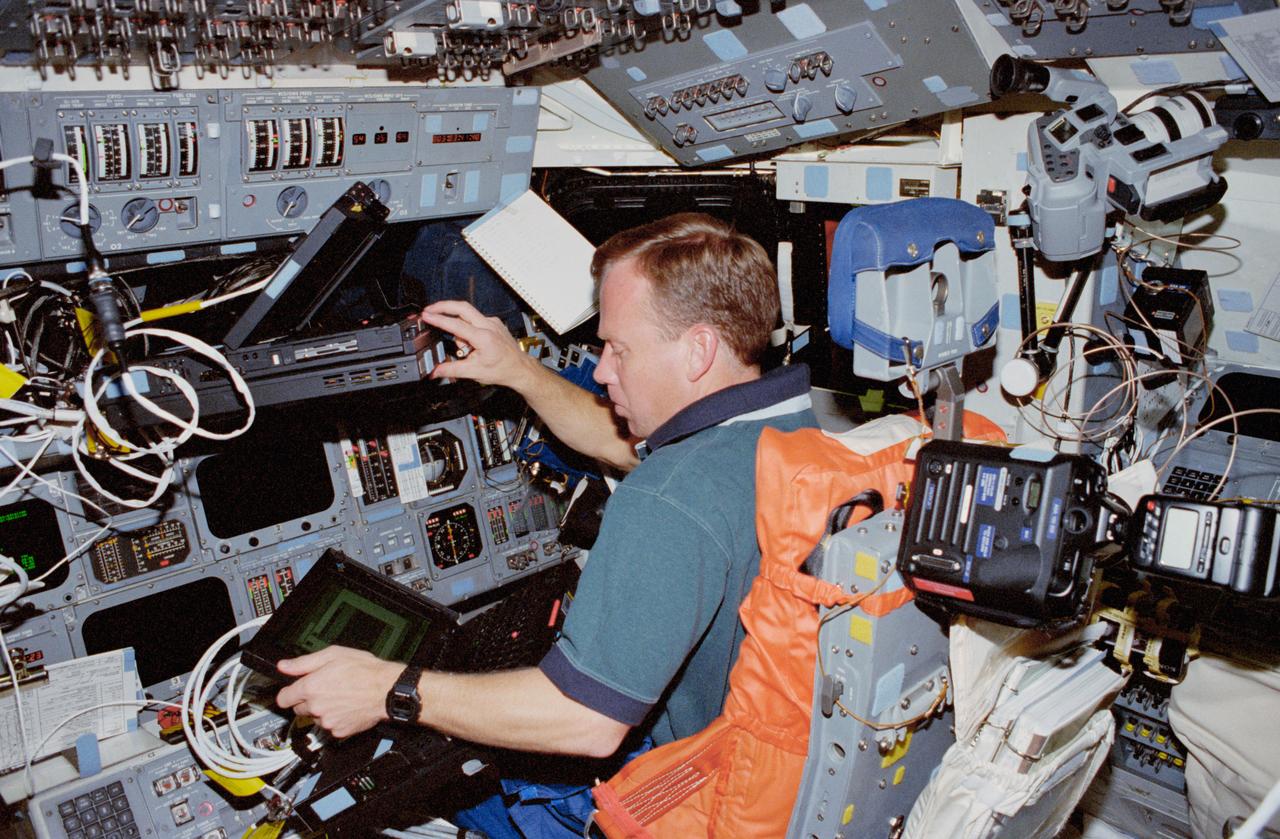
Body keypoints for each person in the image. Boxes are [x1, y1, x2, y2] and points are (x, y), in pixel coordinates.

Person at [275, 212, 818, 835]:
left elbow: (585, 718)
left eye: (619, 348)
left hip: (693, 788)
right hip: (775, 763)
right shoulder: (783, 433)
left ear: (697, 349)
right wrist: (519, 370)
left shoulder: (668, 497)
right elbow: (620, 446)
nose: (605, 370)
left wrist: (391, 690)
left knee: (420, 789)